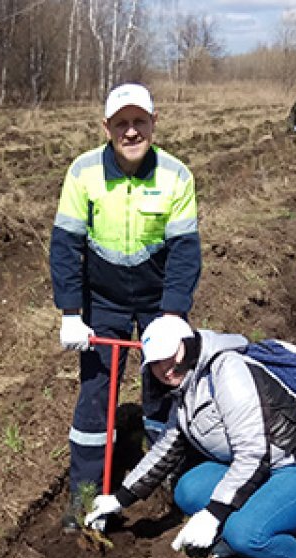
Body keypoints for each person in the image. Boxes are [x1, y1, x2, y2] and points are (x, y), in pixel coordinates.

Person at [84, 317, 296, 558]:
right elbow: (166, 449)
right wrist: (119, 498)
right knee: (189, 490)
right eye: (156, 363)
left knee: (245, 534)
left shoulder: (226, 371)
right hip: (265, 468)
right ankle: (254, 520)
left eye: (170, 356)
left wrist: (215, 513)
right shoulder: (186, 388)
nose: (165, 368)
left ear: (188, 345)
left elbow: (253, 453)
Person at [49, 83, 202, 532]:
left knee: (166, 385)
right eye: (121, 123)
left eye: (139, 122)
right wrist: (71, 312)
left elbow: (185, 251)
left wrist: (173, 314)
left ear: (154, 123)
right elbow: (65, 246)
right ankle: (84, 497)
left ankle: (167, 484)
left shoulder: (176, 176)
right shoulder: (83, 173)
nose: (131, 131)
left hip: (158, 299)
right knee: (96, 394)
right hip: (104, 298)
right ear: (107, 128)